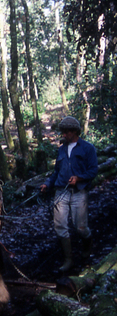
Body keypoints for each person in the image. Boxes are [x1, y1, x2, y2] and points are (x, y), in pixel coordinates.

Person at [41, 116, 98, 272]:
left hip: (79, 192)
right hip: (61, 191)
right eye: (63, 132)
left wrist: (79, 178)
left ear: (74, 131)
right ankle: (68, 260)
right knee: (60, 226)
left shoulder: (88, 148)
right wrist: (47, 183)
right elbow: (57, 172)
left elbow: (93, 170)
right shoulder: (61, 149)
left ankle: (87, 248)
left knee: (81, 227)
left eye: (66, 132)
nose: (63, 135)